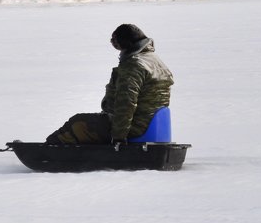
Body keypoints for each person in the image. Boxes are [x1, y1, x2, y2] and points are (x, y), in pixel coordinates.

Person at [46, 24, 174, 144]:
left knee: (78, 122)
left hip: (135, 127)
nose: (112, 43)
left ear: (125, 42)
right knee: (96, 122)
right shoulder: (155, 60)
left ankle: (48, 150)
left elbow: (126, 103)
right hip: (151, 124)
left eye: (114, 40)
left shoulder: (134, 65)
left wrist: (118, 137)